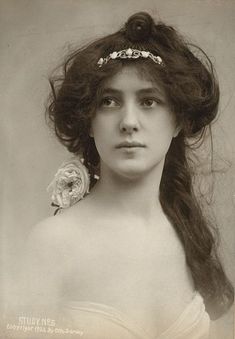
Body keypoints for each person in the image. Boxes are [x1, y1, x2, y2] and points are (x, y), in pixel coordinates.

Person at [19, 11, 233, 339]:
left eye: (149, 101)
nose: (128, 121)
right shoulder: (51, 244)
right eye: (109, 102)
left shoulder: (185, 230)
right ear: (88, 121)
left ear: (178, 121)